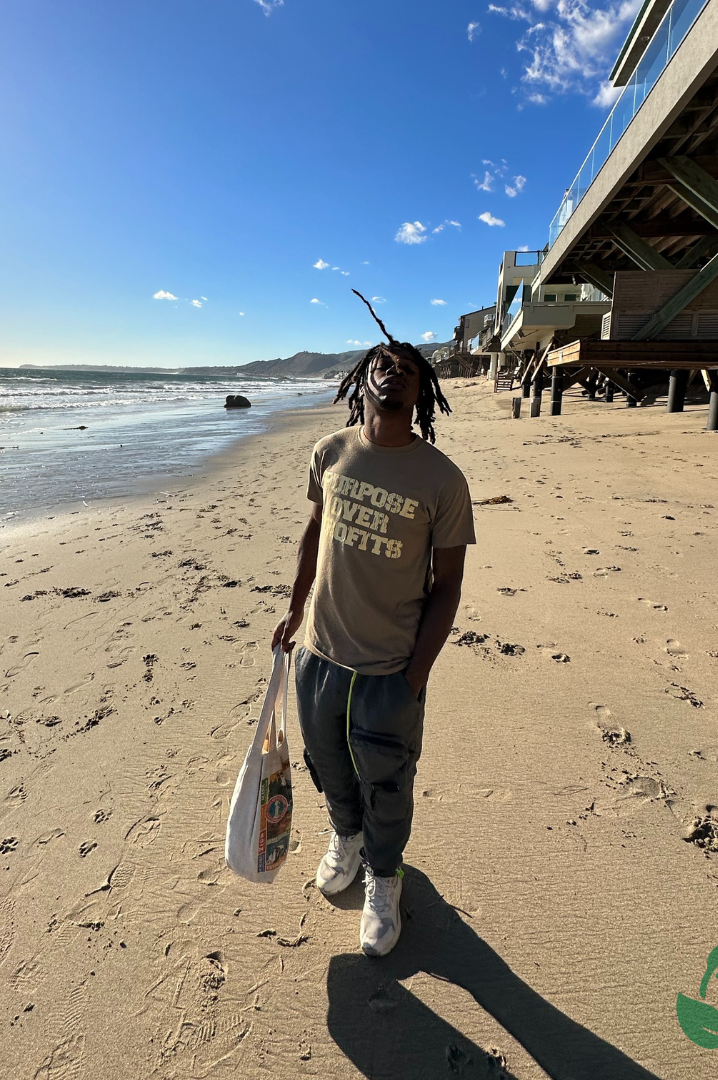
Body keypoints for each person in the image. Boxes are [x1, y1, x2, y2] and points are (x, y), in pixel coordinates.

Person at [271, 292, 475, 957]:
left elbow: (448, 585)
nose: (393, 371)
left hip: (390, 668)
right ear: (360, 380)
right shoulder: (329, 452)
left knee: (388, 781)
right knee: (328, 765)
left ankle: (384, 879)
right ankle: (346, 840)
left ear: (421, 393)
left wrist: (418, 671)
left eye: (407, 369)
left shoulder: (442, 479)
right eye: (381, 364)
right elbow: (313, 533)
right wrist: (296, 610)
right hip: (318, 655)